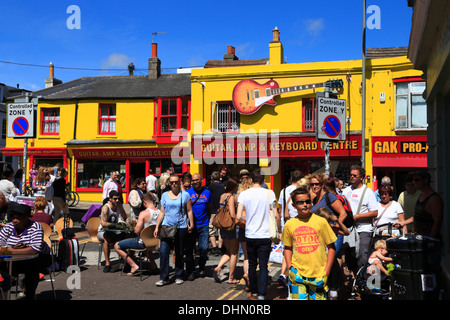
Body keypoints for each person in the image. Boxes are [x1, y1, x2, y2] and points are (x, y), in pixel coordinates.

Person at [281, 187, 337, 300]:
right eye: (300, 202)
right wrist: (290, 268)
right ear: (294, 205)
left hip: (318, 275)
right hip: (297, 275)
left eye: (307, 201)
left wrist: (326, 271)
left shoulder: (321, 222)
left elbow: (331, 247)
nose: (305, 204)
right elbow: (287, 248)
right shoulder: (289, 224)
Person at [236, 171, 278, 300]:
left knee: (252, 265)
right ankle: (261, 294)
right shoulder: (269, 193)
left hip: (250, 234)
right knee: (264, 265)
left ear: (251, 180)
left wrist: (248, 219)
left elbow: (238, 216)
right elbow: (276, 214)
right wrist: (279, 230)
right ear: (263, 180)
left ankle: (253, 292)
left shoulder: (243, 194)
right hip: (265, 234)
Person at [0, 203, 51, 300]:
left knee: (31, 267)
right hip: (13, 260)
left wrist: (10, 250)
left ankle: (30, 295)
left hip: (39, 259)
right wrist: (12, 249)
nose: (15, 220)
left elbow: (34, 249)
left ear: (27, 218)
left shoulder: (35, 227)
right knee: (2, 270)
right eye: (13, 217)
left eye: (19, 218)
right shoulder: (8, 227)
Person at [154, 173, 194, 286]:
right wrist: (157, 226)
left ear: (179, 182)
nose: (174, 184)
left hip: (181, 227)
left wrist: (191, 224)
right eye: (172, 182)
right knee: (163, 252)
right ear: (169, 183)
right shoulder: (165, 195)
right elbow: (162, 212)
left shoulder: (185, 195)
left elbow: (189, 210)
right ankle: (163, 277)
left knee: (180, 252)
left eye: (176, 182)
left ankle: (179, 275)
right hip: (167, 226)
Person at [114, 193, 159, 276]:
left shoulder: (143, 213)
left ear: (144, 202)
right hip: (154, 242)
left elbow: (136, 231)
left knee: (117, 246)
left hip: (142, 243)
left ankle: (133, 265)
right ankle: (154, 266)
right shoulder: (160, 212)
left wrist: (136, 224)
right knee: (146, 247)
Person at [342, 165, 378, 269]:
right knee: (349, 257)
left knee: (363, 255)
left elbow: (374, 212)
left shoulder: (368, 192)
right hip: (349, 229)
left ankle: (364, 278)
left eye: (355, 175)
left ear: (361, 178)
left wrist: (357, 216)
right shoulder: (346, 190)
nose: (352, 177)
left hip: (364, 229)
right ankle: (355, 279)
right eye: (351, 175)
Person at [395, 170, 443, 240]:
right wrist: (404, 223)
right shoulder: (421, 195)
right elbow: (418, 216)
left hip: (428, 242)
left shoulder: (434, 198)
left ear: (425, 180)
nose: (414, 182)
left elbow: (437, 222)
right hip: (419, 239)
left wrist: (430, 240)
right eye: (413, 180)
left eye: (417, 180)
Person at [277, 170, 303, 287]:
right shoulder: (302, 191)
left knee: (287, 250)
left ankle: (283, 274)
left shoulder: (283, 191)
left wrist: (280, 228)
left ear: (291, 178)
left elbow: (280, 209)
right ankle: (294, 276)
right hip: (298, 223)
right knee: (298, 251)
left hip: (286, 224)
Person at [214, 179, 240, 284]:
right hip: (230, 227)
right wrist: (239, 222)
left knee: (228, 252)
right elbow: (233, 214)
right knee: (234, 253)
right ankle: (231, 278)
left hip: (223, 227)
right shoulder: (231, 197)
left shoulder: (222, 196)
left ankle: (218, 267)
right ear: (233, 187)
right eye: (236, 187)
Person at [186, 173, 212, 279]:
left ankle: (201, 268)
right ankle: (191, 271)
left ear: (201, 180)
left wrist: (208, 220)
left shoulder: (208, 193)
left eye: (197, 180)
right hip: (191, 226)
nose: (195, 182)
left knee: (204, 248)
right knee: (190, 250)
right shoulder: (187, 193)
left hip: (204, 225)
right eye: (193, 180)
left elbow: (209, 208)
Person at [98, 190, 130, 273]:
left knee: (126, 236)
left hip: (114, 231)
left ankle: (126, 262)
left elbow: (125, 217)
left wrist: (127, 223)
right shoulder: (106, 207)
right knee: (106, 238)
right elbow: (103, 223)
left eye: (118, 199)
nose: (117, 201)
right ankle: (107, 264)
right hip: (101, 231)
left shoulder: (119, 206)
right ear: (110, 199)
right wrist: (115, 225)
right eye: (115, 199)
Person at [235, 176, 252, 290]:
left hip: (241, 227)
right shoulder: (252, 195)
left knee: (246, 256)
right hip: (252, 227)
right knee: (253, 255)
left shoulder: (238, 196)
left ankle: (246, 274)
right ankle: (250, 276)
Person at [207, 171, 225, 256]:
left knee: (211, 230)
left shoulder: (210, 186)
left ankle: (214, 248)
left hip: (213, 211)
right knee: (221, 230)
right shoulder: (223, 186)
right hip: (221, 211)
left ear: (211, 178)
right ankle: (220, 248)